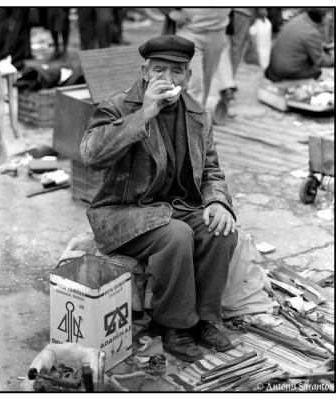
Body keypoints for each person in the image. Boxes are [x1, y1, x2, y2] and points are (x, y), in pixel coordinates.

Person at [80, 35, 238, 362]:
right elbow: (91, 156)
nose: (168, 79)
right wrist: (145, 114)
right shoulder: (117, 106)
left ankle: (205, 319)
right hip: (124, 213)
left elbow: (211, 169)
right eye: (159, 69)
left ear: (189, 76)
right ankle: (174, 325)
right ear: (145, 71)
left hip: (175, 208)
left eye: (177, 71)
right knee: (176, 235)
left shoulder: (197, 115)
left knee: (221, 231)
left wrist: (218, 201)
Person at [265, 8, 334, 82]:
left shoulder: (301, 18)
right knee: (317, 71)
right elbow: (320, 61)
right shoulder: (312, 32)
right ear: (322, 17)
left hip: (273, 68)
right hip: (283, 73)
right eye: (328, 15)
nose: (330, 18)